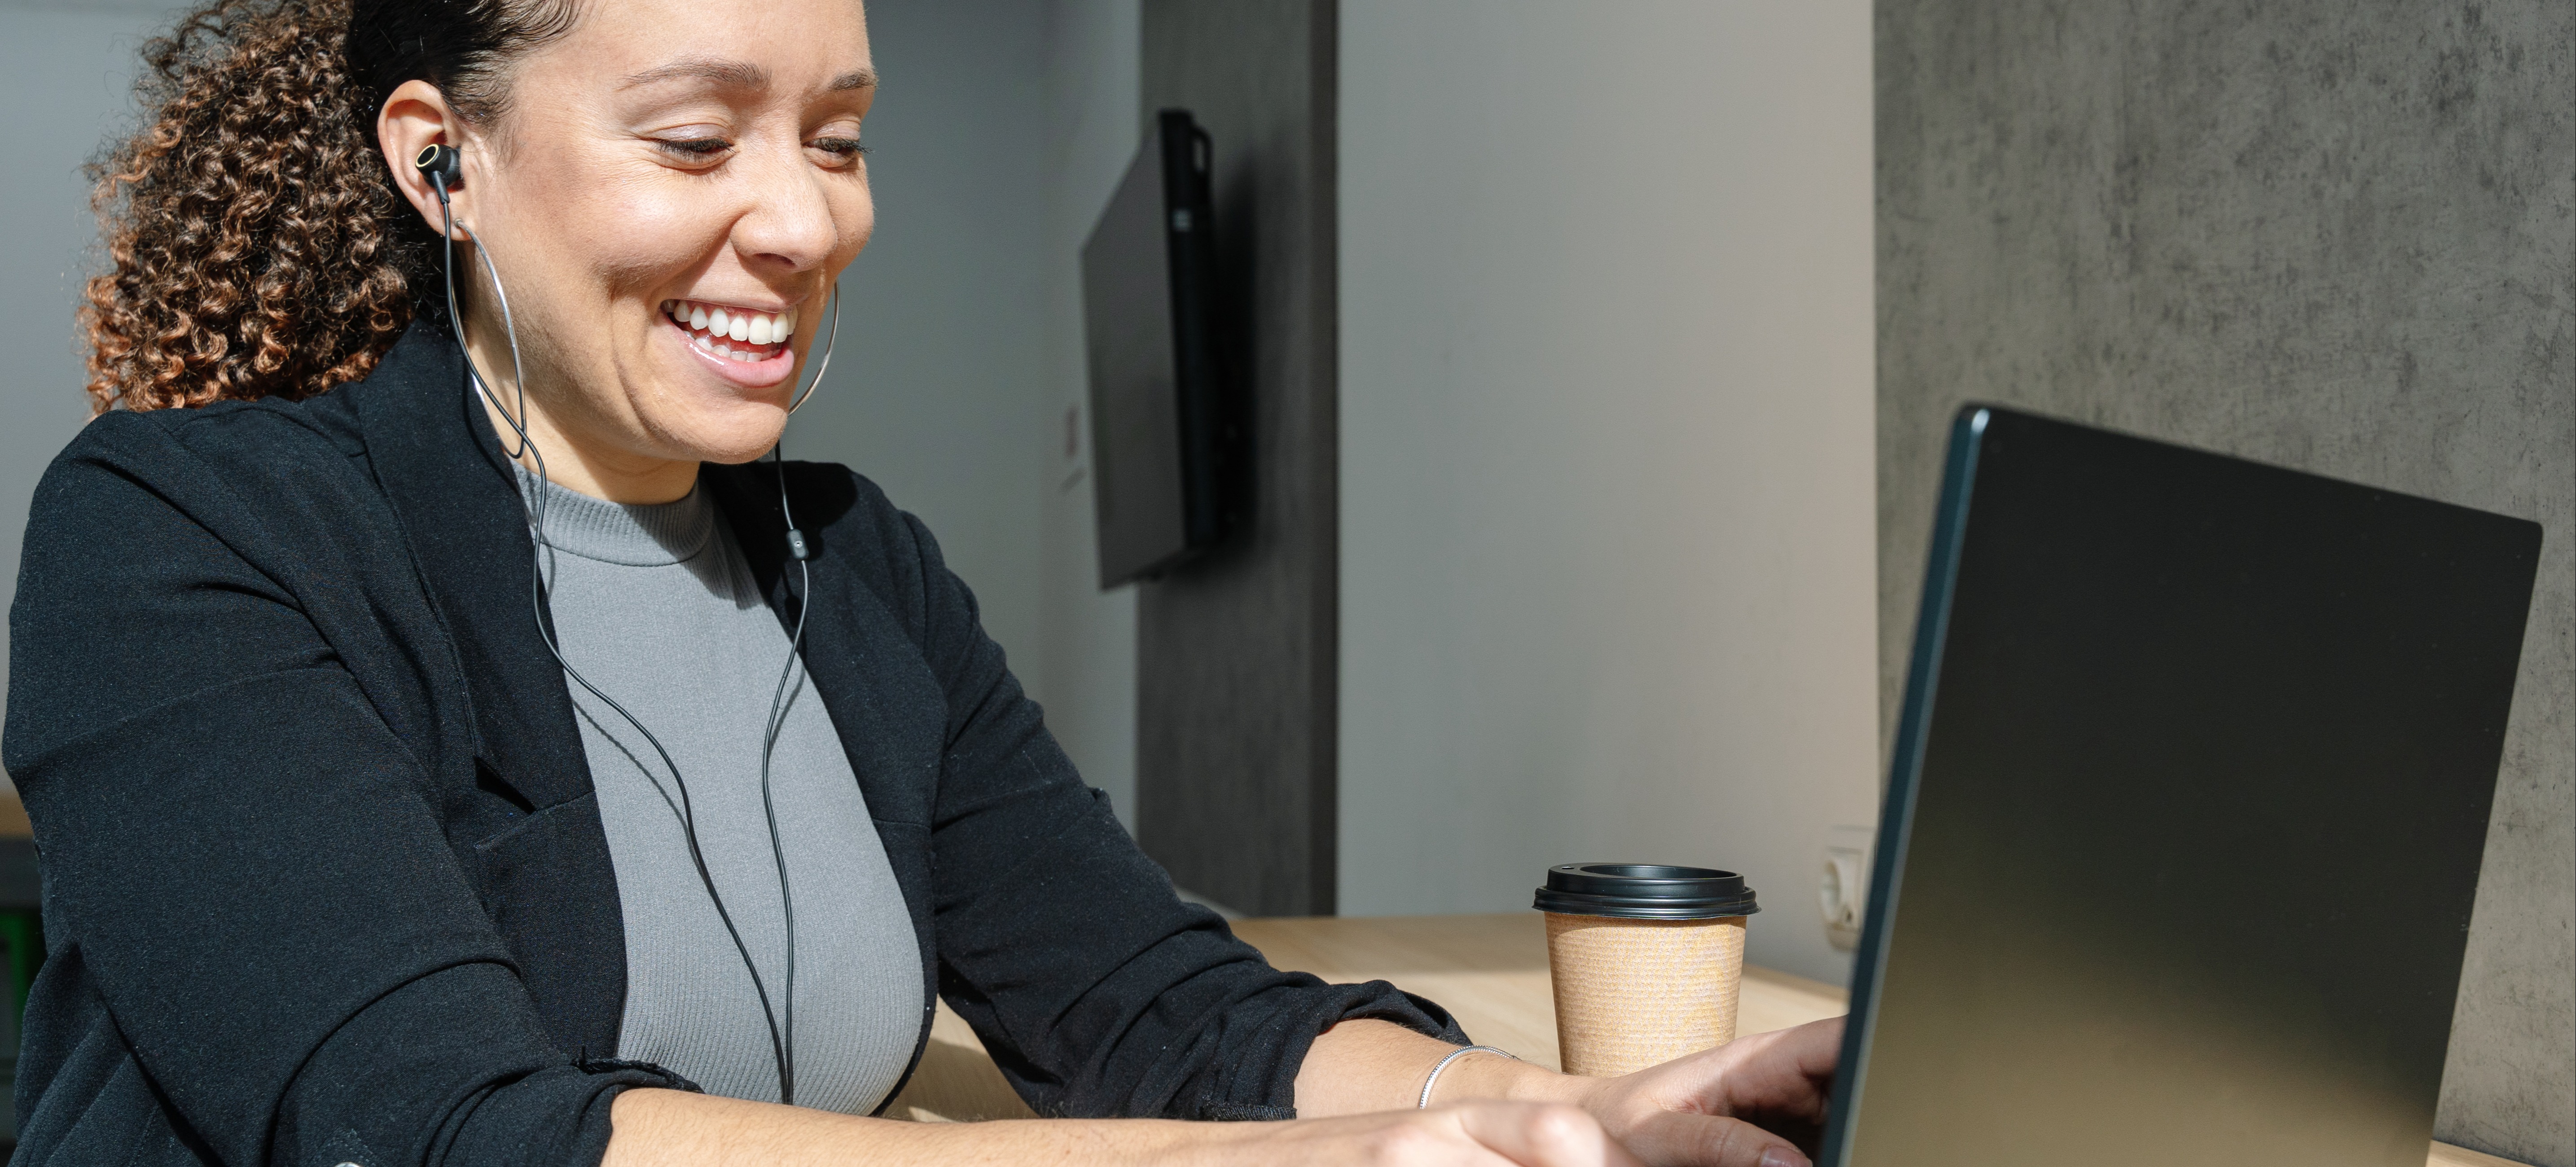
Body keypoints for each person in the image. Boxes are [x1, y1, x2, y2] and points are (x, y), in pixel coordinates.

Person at [3, 1, 1841, 1164]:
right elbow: (440, 1133)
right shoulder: (187, 533)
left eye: (839, 136)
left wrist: (1549, 1111)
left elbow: (1161, 1012)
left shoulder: (850, 564)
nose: (804, 222)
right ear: (442, 161)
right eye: (699, 138)